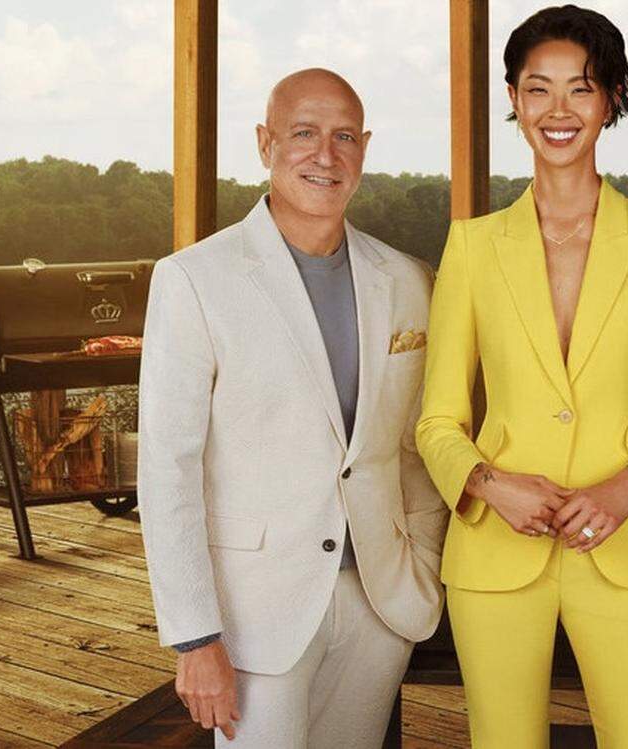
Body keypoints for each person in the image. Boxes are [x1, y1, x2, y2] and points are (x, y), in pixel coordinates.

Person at [415, 6, 628, 747]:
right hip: (495, 549)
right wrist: (490, 484)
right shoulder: (473, 246)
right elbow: (436, 422)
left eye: (580, 89)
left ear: (611, 99)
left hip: (626, 546)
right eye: (537, 88)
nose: (558, 110)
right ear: (513, 99)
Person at [138, 68, 447, 748]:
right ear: (264, 142)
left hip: (379, 601)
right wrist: (194, 634)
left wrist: (420, 561)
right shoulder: (194, 279)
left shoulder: (407, 279)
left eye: (343, 136)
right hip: (254, 614)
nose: (324, 154)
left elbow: (416, 443)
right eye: (303, 133)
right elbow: (167, 468)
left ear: (364, 148)